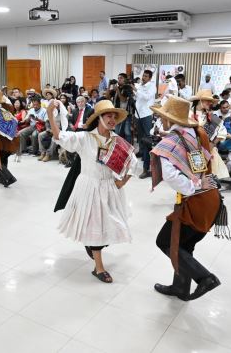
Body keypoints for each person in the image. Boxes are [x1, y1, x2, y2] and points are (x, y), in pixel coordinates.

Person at [48, 99, 138, 283]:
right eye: (108, 116)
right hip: (89, 187)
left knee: (110, 224)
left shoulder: (117, 141)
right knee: (96, 225)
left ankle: (92, 246)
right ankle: (99, 267)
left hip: (110, 188)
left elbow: (133, 162)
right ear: (99, 118)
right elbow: (59, 136)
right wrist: (50, 114)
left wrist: (123, 181)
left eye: (114, 116)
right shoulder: (85, 138)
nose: (112, 119)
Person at [150, 96, 224, 301]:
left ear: (167, 119)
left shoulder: (170, 142)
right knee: (185, 246)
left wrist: (194, 187)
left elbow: (171, 176)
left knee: (164, 241)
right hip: (212, 199)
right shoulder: (197, 133)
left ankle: (205, 278)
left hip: (196, 203)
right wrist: (199, 185)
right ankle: (180, 288)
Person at [133, 70, 157, 179]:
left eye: (146, 76)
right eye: (143, 75)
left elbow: (147, 98)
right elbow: (137, 99)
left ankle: (146, 168)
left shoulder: (152, 86)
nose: (143, 77)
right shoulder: (140, 86)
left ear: (150, 78)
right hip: (138, 115)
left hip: (146, 115)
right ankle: (143, 156)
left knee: (147, 140)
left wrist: (136, 90)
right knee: (141, 138)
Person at [38, 98, 68, 162]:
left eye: (57, 105)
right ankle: (42, 152)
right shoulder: (51, 112)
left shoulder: (63, 113)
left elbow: (64, 126)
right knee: (40, 135)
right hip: (50, 130)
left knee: (55, 137)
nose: (56, 107)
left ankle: (48, 154)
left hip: (59, 131)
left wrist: (56, 131)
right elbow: (47, 122)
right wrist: (48, 129)